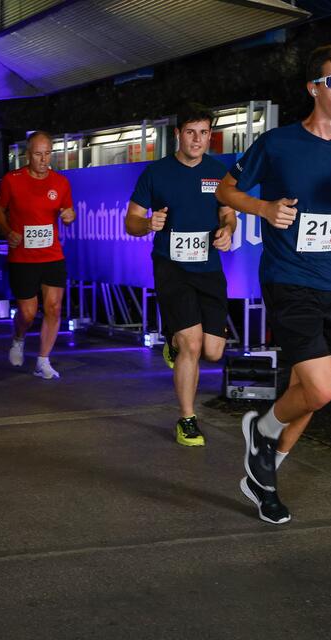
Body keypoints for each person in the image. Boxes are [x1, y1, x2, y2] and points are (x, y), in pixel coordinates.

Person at [216, 44, 331, 525]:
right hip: (289, 279)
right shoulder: (278, 145)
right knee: (323, 387)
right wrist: (265, 209)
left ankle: (263, 475)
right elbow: (226, 189)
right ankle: (262, 429)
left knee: (307, 392)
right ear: (314, 88)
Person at [125, 104, 236, 447]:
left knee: (214, 351)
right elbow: (131, 221)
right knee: (192, 344)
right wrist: (147, 224)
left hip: (208, 268)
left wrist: (228, 230)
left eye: (204, 133)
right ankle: (187, 419)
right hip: (171, 266)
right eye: (191, 132)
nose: (198, 139)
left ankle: (172, 335)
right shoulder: (156, 173)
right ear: (177, 134)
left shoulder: (219, 172)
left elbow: (229, 214)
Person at [0, 131, 76, 379]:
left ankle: (43, 360)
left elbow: (68, 212)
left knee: (54, 307)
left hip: (52, 255)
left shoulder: (61, 182)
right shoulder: (12, 180)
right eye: (38, 154)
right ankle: (18, 337)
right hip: (22, 256)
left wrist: (70, 216)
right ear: (27, 154)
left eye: (47, 153)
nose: (43, 159)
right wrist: (8, 231)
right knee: (28, 313)